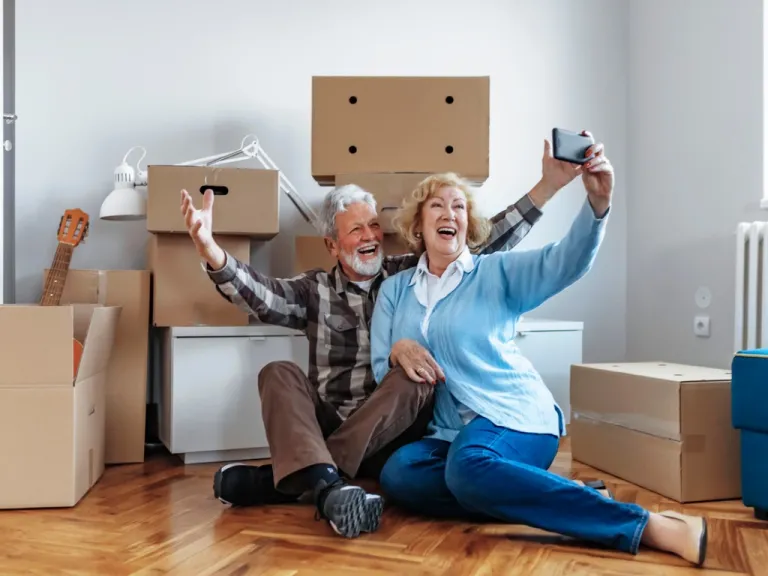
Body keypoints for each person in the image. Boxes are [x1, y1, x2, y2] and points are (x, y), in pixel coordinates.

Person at [178, 146, 573, 538]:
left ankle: (303, 478)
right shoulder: (313, 289)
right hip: (336, 423)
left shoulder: (408, 272)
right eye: (355, 230)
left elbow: (485, 240)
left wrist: (546, 188)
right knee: (278, 372)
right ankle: (329, 485)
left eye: (373, 226)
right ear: (333, 245)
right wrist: (211, 250)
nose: (369, 237)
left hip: (397, 435)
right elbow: (259, 295)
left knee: (411, 375)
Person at [369, 139, 708, 566]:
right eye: (437, 205)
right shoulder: (395, 291)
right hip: (447, 434)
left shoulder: (494, 274)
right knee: (400, 474)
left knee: (468, 470)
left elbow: (563, 262)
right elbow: (383, 369)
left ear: (468, 224)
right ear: (418, 224)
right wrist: (399, 348)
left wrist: (597, 204)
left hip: (514, 417)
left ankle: (647, 525)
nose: (449, 213)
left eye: (458, 207)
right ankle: (551, 494)